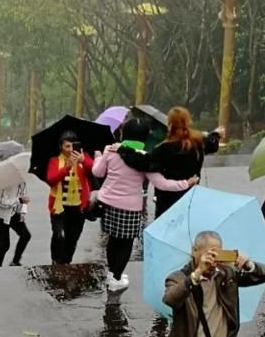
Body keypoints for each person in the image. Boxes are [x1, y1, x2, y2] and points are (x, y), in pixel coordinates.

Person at [92, 119, 195, 291]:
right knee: (125, 243)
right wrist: (186, 183)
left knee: (113, 239)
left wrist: (98, 158)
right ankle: (115, 279)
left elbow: (97, 172)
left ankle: (112, 274)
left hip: (108, 203)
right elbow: (162, 184)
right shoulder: (144, 158)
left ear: (124, 133)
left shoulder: (110, 150)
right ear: (145, 137)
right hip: (130, 207)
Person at [119, 107, 223, 217]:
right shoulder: (197, 143)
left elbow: (144, 163)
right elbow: (211, 144)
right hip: (191, 196)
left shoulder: (164, 149)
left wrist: (123, 150)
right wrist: (216, 134)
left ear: (170, 125)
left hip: (167, 200)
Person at [45, 132, 94, 264]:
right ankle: (56, 259)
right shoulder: (54, 161)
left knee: (72, 238)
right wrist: (67, 167)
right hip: (59, 206)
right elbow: (51, 178)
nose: (71, 149)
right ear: (61, 146)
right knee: (58, 235)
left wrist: (83, 160)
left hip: (78, 206)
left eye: (73, 146)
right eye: (67, 146)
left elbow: (94, 170)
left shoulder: (84, 158)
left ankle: (66, 261)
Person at [0, 174, 31, 267]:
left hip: (13, 213)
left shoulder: (22, 181)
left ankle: (15, 262)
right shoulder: (3, 183)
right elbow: (1, 202)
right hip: (0, 215)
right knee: (4, 246)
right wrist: (19, 200)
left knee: (25, 235)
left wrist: (22, 212)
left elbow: (24, 196)